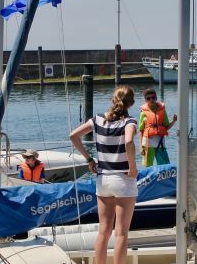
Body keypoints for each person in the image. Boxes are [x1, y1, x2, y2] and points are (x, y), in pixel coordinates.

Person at [70, 85, 138, 264]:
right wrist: (132, 167)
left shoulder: (98, 119)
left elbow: (73, 136)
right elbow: (129, 141)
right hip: (123, 180)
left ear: (112, 100)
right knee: (121, 233)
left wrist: (89, 160)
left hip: (103, 180)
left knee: (104, 231)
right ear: (131, 103)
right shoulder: (130, 122)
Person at [138, 88, 176, 167]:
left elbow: (166, 127)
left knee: (165, 167)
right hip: (148, 144)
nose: (151, 100)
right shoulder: (143, 113)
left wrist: (173, 121)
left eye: (153, 97)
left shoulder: (162, 111)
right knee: (147, 167)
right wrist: (141, 147)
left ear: (156, 98)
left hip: (160, 143)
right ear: (145, 100)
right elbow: (141, 131)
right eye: (148, 98)